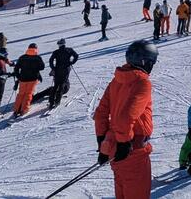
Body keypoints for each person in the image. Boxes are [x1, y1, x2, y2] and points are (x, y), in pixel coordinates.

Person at [94, 40, 158, 199]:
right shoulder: (142, 82)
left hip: (114, 147)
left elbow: (101, 113)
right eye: (151, 62)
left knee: (122, 192)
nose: (152, 66)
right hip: (132, 150)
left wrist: (102, 143)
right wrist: (123, 143)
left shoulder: (116, 80)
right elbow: (125, 117)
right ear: (144, 62)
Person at [12, 43, 45, 117]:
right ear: (36, 49)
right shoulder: (37, 58)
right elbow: (42, 67)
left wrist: (18, 76)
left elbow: (16, 68)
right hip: (33, 79)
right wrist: (35, 68)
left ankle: (16, 110)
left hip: (23, 78)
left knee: (21, 94)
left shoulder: (22, 57)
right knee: (28, 94)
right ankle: (24, 109)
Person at [48, 38, 79, 108]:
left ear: (59, 45)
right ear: (64, 43)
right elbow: (76, 56)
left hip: (57, 69)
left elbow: (51, 60)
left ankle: (51, 101)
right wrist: (71, 62)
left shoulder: (56, 52)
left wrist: (53, 68)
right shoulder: (69, 50)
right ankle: (57, 101)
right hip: (66, 69)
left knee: (56, 85)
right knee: (62, 84)